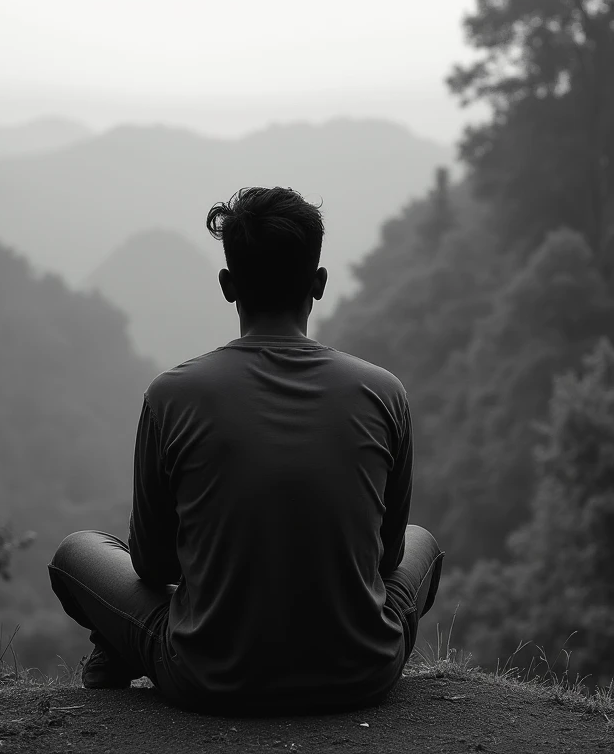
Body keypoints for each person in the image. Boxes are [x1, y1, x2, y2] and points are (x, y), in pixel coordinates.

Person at [48, 186, 444, 716]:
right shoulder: (384, 392)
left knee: (77, 551)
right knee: (423, 544)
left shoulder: (171, 395)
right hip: (360, 673)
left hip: (206, 675)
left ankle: (121, 649)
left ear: (228, 285)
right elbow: (388, 557)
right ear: (319, 284)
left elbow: (152, 562)